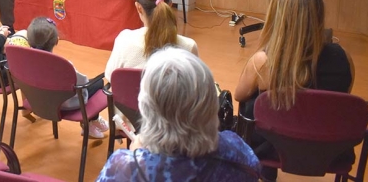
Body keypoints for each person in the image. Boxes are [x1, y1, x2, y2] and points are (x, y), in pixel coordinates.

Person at [234, 0, 353, 181]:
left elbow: (239, 95)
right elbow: (340, 98)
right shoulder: (343, 58)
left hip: (275, 149)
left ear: (276, 19)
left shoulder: (264, 62)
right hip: (330, 149)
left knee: (248, 106)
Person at [97, 47, 260, 182]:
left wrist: (136, 157)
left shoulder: (122, 168)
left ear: (145, 108)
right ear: (211, 104)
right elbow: (255, 169)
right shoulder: (238, 153)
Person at [21, 16, 110, 139]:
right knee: (98, 82)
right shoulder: (64, 66)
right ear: (57, 41)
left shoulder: (21, 61)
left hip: (37, 100)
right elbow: (82, 84)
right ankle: (90, 122)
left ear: (29, 40)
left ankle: (92, 122)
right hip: (66, 105)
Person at [105, 0, 198, 81]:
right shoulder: (189, 46)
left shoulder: (124, 39)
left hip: (130, 97)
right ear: (170, 5)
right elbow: (193, 85)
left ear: (138, 8)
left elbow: (110, 77)